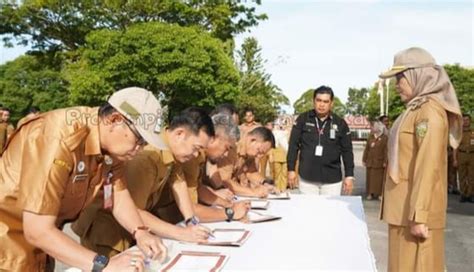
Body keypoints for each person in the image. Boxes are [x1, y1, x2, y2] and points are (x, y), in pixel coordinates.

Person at [0, 87, 167, 271]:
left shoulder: (113, 150)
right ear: (115, 120)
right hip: (8, 243)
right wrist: (105, 265)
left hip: (43, 245)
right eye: (139, 140)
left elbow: (117, 194)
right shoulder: (57, 138)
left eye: (144, 144)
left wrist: (140, 231)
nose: (140, 149)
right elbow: (37, 230)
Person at [72, 107, 216, 258]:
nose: (195, 155)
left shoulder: (172, 153)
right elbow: (133, 209)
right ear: (180, 134)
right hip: (108, 233)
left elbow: (178, 182)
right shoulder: (147, 157)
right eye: (196, 148)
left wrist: (191, 221)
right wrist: (181, 233)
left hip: (134, 228)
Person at [379, 47, 462, 272]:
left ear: (418, 75)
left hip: (415, 214)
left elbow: (428, 166)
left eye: (400, 78)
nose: (397, 85)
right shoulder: (415, 109)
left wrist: (420, 215)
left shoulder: (430, 112)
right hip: (402, 212)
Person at [287, 86, 355, 195]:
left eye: (325, 101)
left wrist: (349, 176)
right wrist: (291, 170)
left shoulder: (340, 123)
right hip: (307, 179)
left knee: (329, 211)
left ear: (331, 103)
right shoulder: (302, 119)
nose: (321, 104)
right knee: (308, 211)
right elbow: (293, 146)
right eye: (318, 100)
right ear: (313, 101)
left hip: (332, 181)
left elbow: (347, 151)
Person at [362, 121, 388, 200]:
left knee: (379, 180)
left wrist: (385, 161)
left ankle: (380, 194)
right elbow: (367, 149)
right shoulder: (371, 137)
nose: (371, 128)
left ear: (378, 128)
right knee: (369, 179)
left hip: (379, 162)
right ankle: (370, 193)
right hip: (370, 161)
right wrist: (364, 159)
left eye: (373, 127)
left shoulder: (384, 138)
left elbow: (386, 151)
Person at [454, 114, 474, 203]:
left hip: (472, 155)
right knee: (462, 176)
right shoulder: (459, 133)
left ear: (470, 121)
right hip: (461, 155)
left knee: (471, 176)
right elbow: (455, 147)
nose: (466, 122)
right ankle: (463, 194)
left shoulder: (473, 132)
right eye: (464, 120)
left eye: (467, 120)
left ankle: (470, 194)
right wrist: (455, 159)